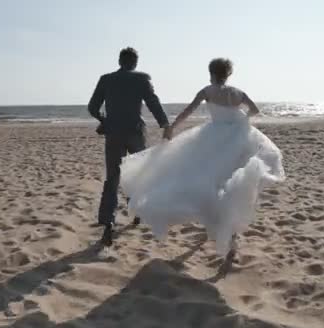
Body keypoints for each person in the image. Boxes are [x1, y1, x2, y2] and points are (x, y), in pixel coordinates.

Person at [120, 58, 285, 256]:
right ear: (228, 74)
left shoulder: (207, 91)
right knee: (232, 180)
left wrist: (172, 127)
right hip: (238, 139)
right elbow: (255, 110)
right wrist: (240, 120)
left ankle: (214, 222)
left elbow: (188, 111)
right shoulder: (238, 92)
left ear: (212, 73)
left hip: (213, 137)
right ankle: (230, 234)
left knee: (209, 178)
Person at [88, 47, 171, 246]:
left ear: (119, 61)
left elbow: (92, 107)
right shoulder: (142, 78)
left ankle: (108, 224)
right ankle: (137, 213)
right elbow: (153, 102)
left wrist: (104, 119)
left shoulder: (106, 79)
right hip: (135, 132)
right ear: (135, 62)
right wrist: (165, 124)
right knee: (137, 174)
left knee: (112, 178)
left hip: (113, 133)